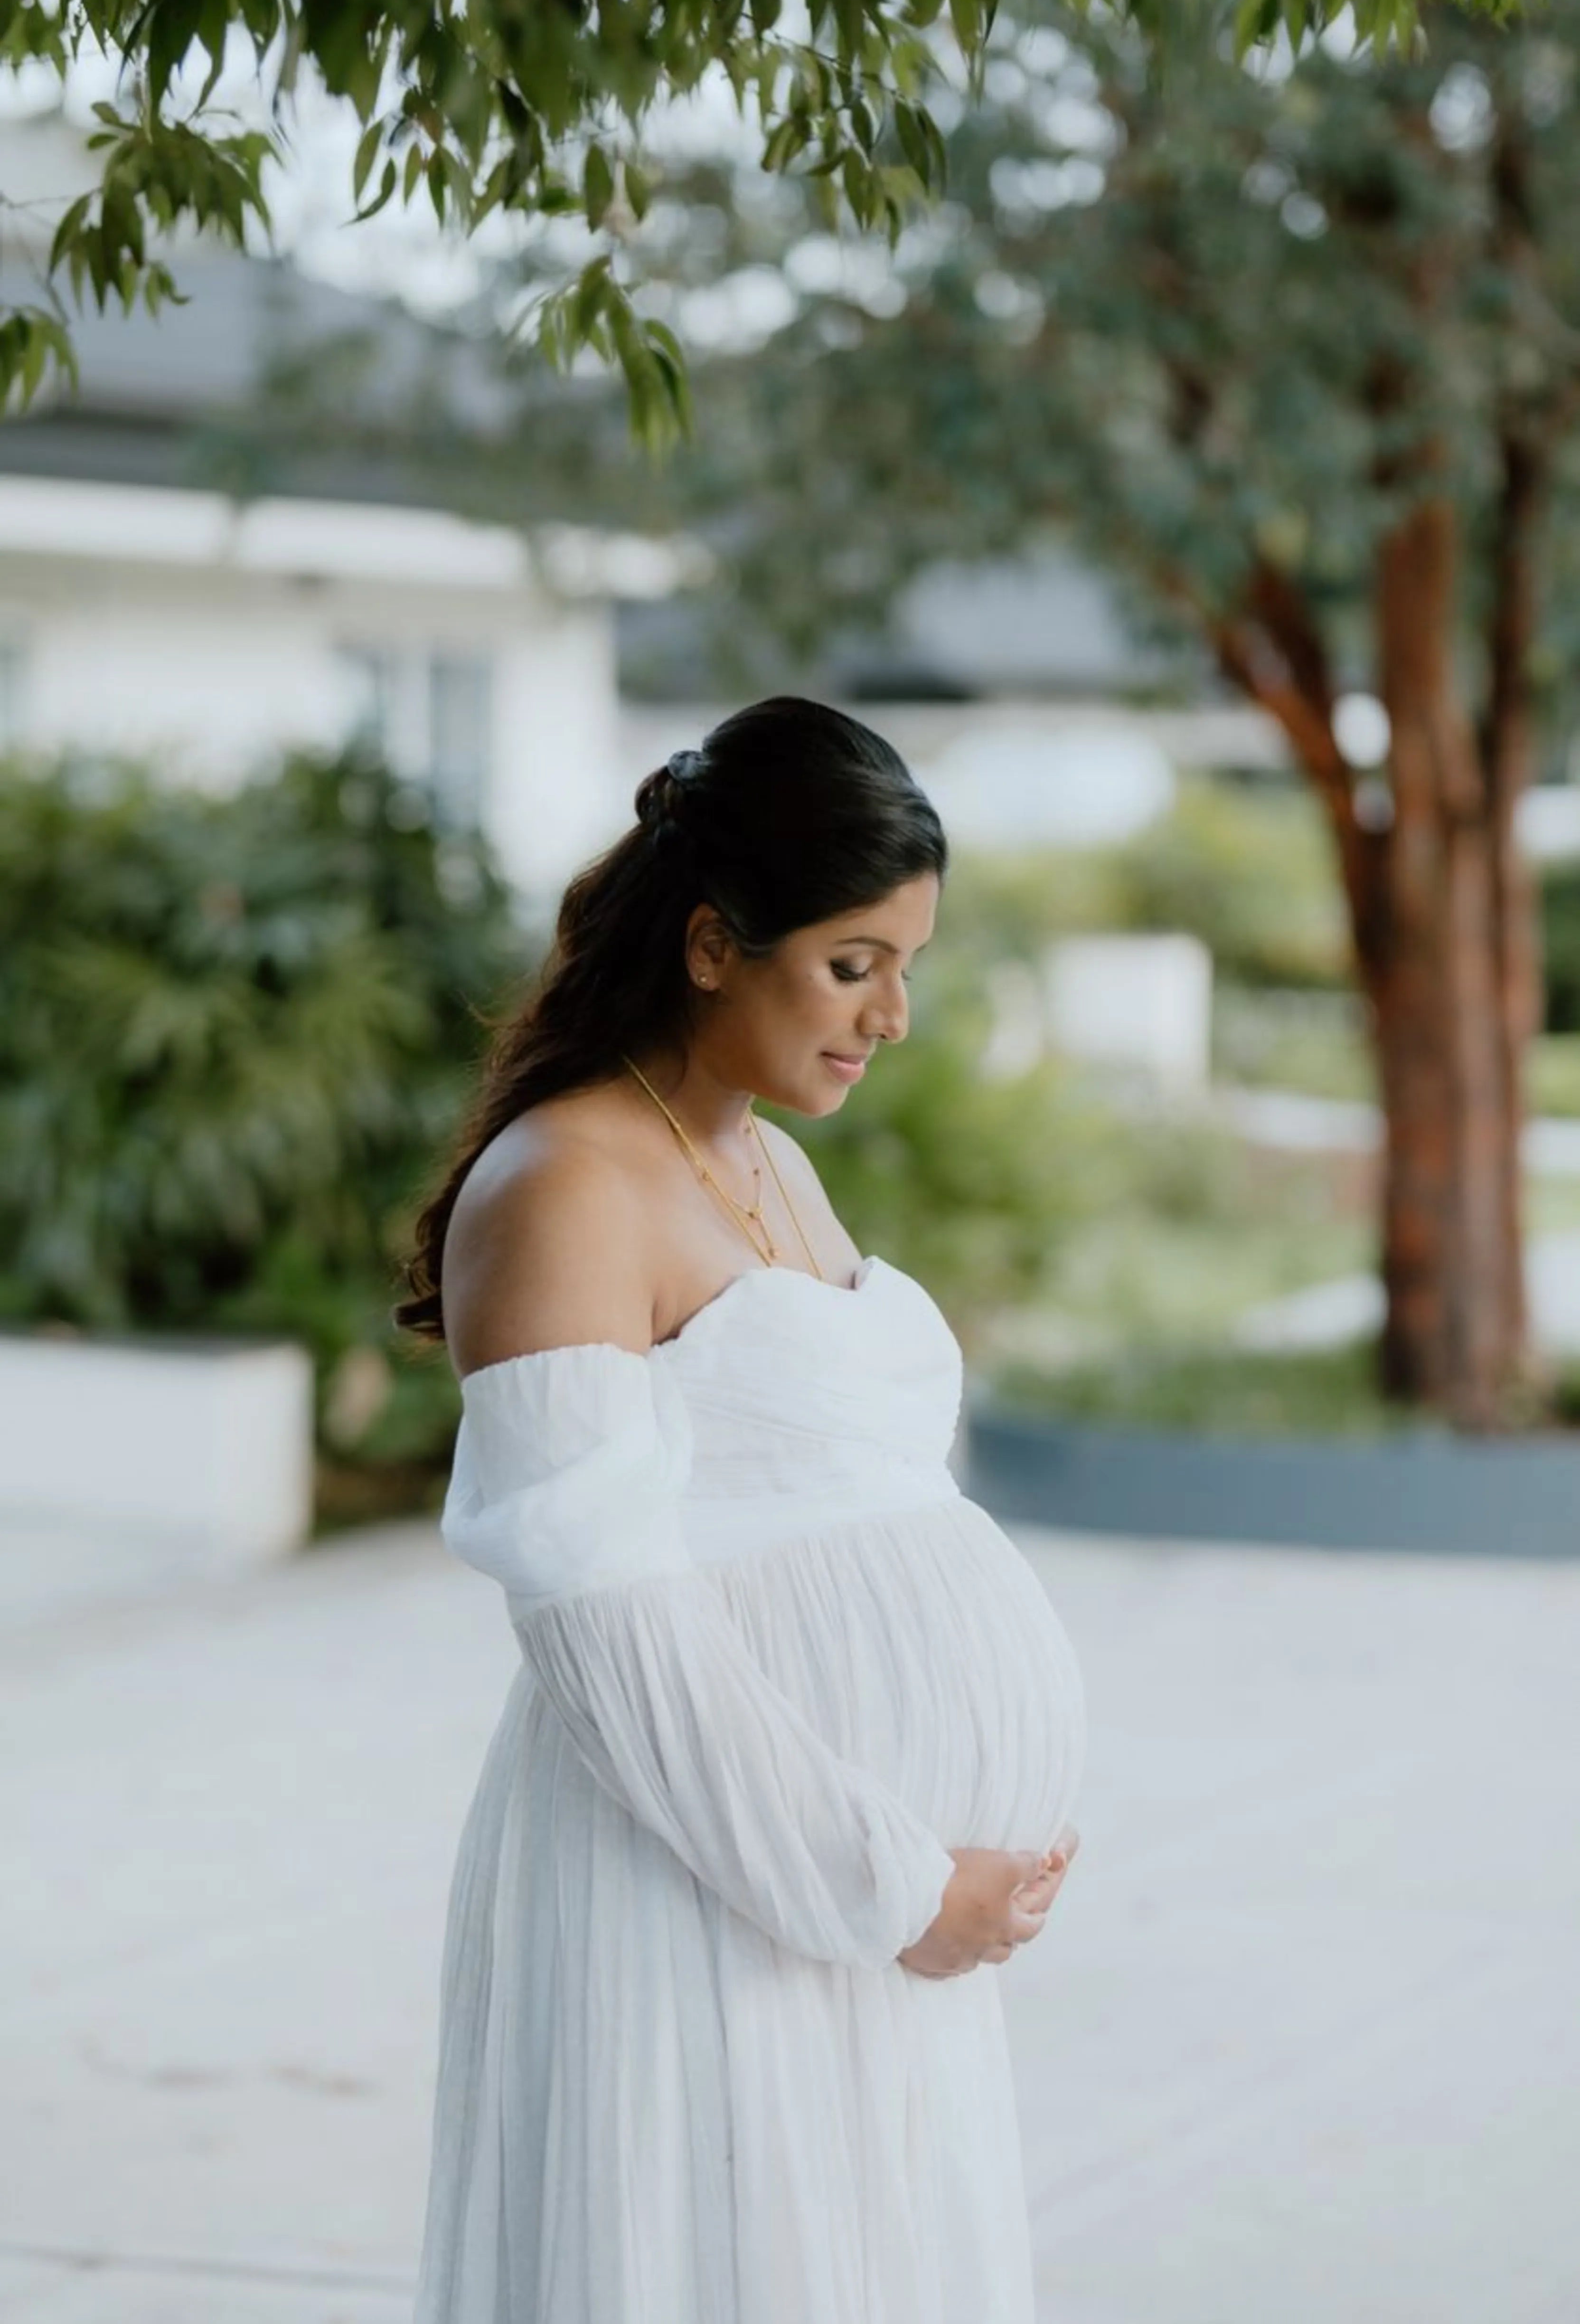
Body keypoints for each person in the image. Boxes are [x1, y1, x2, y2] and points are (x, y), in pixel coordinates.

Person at [399, 696, 1086, 2324]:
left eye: (906, 965)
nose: (894, 1014)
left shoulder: (763, 1160)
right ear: (715, 944)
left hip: (849, 1924)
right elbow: (613, 1637)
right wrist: (897, 1889)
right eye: (854, 964)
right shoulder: (566, 1185)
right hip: (704, 1893)